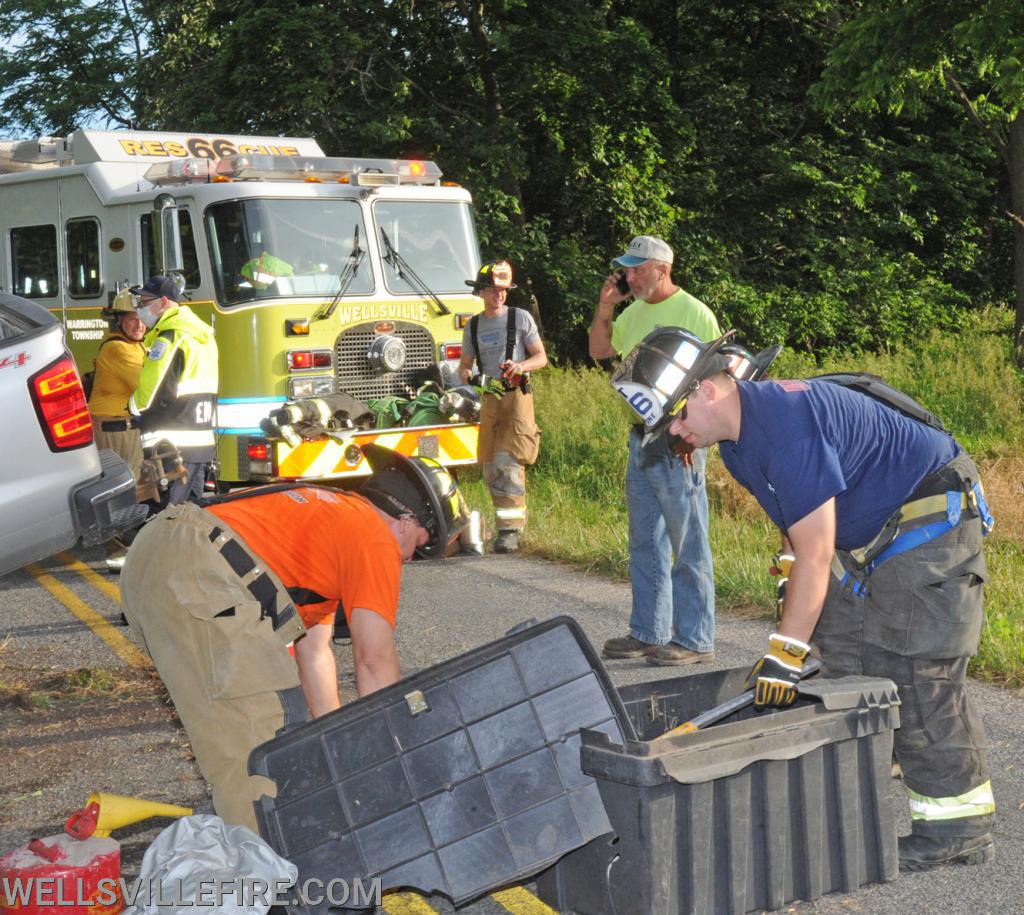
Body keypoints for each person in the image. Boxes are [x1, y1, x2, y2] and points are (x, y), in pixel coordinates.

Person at [618, 328, 996, 872]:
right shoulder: (736, 445)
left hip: (930, 518)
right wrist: (790, 590)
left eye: (676, 419)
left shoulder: (784, 429)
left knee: (916, 667)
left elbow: (818, 553)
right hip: (873, 529)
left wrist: (784, 648)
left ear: (705, 391)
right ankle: (845, 800)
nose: (678, 437)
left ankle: (959, 828)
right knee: (834, 656)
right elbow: (797, 529)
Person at [120, 444, 469, 831]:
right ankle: (269, 879)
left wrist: (339, 745)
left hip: (152, 560)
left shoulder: (331, 518)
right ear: (404, 520)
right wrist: (395, 754)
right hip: (201, 570)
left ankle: (257, 854)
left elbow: (314, 653)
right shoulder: (374, 537)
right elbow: (373, 662)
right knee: (266, 755)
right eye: (418, 546)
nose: (407, 559)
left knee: (236, 731)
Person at [588, 236, 720, 665]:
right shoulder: (633, 312)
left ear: (661, 269)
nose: (628, 276)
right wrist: (606, 306)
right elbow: (600, 351)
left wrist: (691, 434)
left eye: (636, 269)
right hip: (640, 436)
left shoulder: (695, 313)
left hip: (678, 439)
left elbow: (718, 381)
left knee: (688, 542)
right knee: (645, 540)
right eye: (626, 269)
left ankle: (696, 639)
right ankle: (649, 631)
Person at [458, 260, 547, 553]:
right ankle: (503, 524)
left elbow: (541, 358)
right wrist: (469, 377)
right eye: (494, 290)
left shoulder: (520, 318)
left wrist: (520, 366)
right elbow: (464, 366)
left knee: (509, 465)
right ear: (482, 292)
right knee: (490, 466)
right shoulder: (472, 326)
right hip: (489, 399)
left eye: (504, 290)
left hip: (517, 397)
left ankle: (510, 531)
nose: (500, 295)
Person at [128, 275, 218, 507]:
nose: (141, 309)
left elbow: (153, 389)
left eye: (145, 303)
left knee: (163, 518)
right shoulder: (202, 336)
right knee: (190, 515)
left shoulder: (169, 336)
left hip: (169, 444)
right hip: (200, 441)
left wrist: (132, 406)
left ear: (164, 301)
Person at [88, 288, 147, 482]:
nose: (139, 325)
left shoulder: (136, 345)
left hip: (124, 429)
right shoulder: (117, 348)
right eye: (132, 319)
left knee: (133, 488)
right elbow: (145, 384)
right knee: (124, 490)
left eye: (142, 318)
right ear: (119, 320)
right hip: (114, 431)